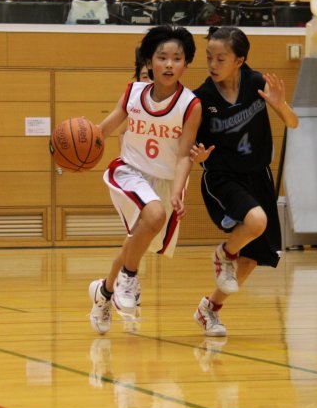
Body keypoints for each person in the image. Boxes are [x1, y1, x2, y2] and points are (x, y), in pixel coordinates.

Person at [88, 25, 201, 334]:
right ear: (149, 62)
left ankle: (104, 292)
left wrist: (178, 190)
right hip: (130, 172)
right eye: (162, 57)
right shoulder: (133, 93)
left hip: (164, 181)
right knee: (153, 215)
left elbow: (183, 155)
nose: (169, 64)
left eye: (176, 58)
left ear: (186, 64)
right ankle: (129, 277)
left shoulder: (190, 105)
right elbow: (105, 129)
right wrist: (83, 140)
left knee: (136, 243)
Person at [190, 26, 299, 336]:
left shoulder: (257, 83)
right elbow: (190, 146)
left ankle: (209, 310)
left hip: (258, 176)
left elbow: (293, 123)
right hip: (222, 177)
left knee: (250, 261)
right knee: (256, 221)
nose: (213, 64)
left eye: (220, 58)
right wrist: (197, 154)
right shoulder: (201, 98)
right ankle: (224, 254)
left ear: (239, 60)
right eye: (209, 57)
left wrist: (280, 105)